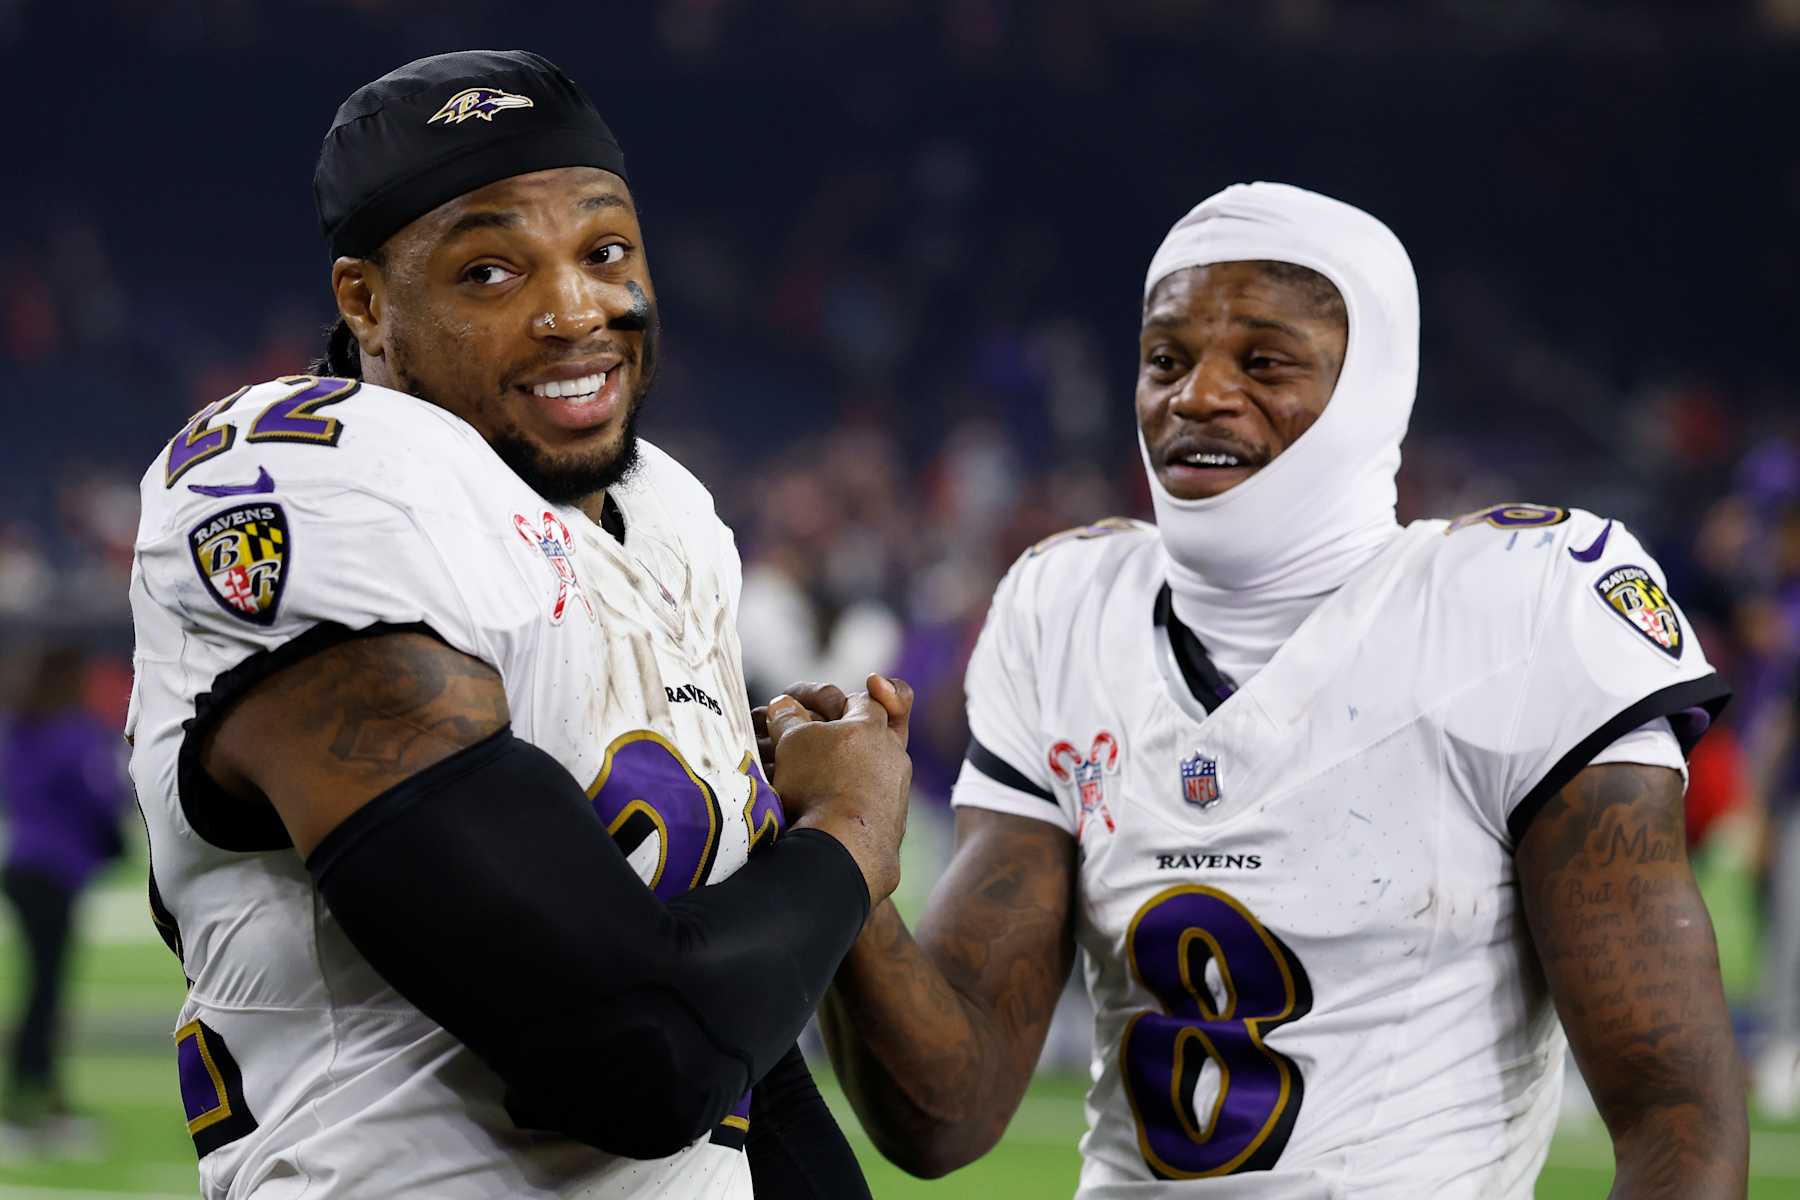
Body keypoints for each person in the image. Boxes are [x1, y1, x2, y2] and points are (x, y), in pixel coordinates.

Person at [809, 183, 1747, 1197]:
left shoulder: (1520, 603)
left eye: (1264, 361)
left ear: (1374, 383)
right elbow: (944, 1111)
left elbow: (1676, 1115)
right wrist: (842, 850)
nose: (1197, 394)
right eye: (1166, 358)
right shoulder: (1063, 604)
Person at [126, 50, 910, 1199]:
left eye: (605, 253)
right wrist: (849, 828)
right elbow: (638, 1060)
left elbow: (736, 1074)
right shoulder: (314, 481)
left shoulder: (667, 517)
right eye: (491, 272)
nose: (573, 310)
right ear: (365, 302)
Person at [0, 645, 128, 1156]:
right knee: (47, 994)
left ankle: (38, 1100)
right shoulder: (74, 733)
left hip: (22, 865)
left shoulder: (15, 728)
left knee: (40, 990)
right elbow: (101, 796)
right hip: (56, 872)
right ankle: (29, 1104)